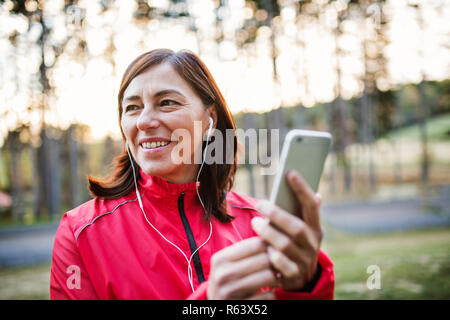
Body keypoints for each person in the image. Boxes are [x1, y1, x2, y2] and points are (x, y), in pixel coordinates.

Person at [50, 48, 334, 300]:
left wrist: (306, 287)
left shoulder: (257, 223)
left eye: (167, 103)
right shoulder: (80, 233)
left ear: (210, 119)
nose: (145, 121)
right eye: (132, 107)